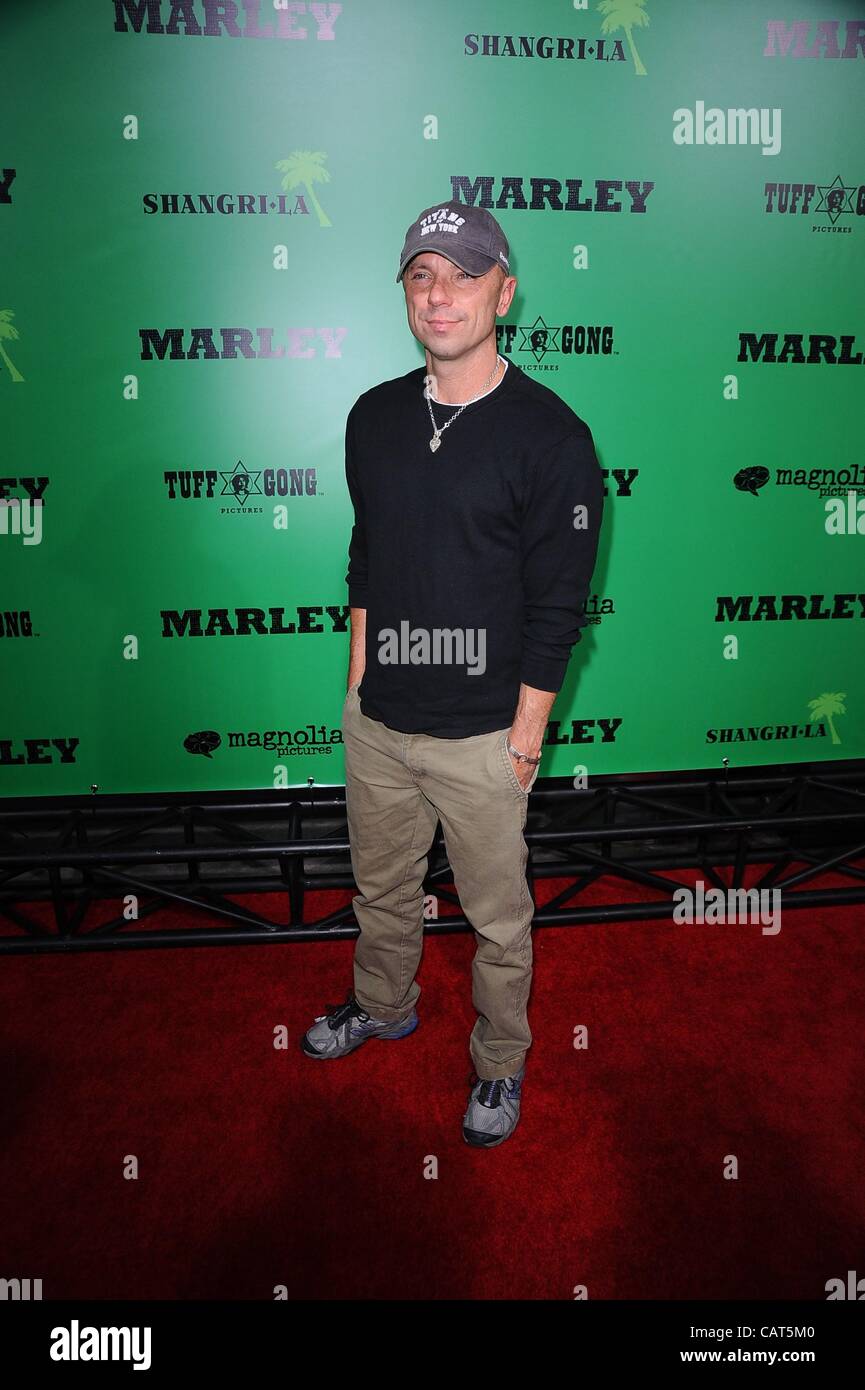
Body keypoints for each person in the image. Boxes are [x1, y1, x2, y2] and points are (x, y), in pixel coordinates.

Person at [301, 199, 604, 1147]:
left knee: (497, 924)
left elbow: (558, 606)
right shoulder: (373, 415)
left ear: (503, 293)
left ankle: (500, 1065)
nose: (441, 295)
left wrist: (525, 738)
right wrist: (357, 684)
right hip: (381, 722)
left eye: (465, 276)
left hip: (483, 737)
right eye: (422, 275)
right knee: (381, 891)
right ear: (404, 291)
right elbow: (367, 556)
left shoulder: (552, 437)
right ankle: (382, 1003)